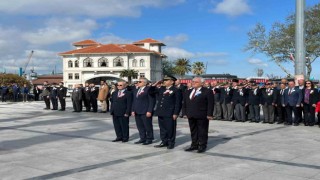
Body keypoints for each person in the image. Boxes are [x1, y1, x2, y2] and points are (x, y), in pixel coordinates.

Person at [183, 77, 214, 153]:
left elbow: (210, 103)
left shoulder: (207, 91)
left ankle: (202, 145)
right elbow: (185, 103)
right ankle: (194, 145)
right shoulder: (188, 91)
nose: (193, 83)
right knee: (193, 130)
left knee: (202, 131)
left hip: (202, 114)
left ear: (202, 83)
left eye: (196, 82)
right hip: (191, 114)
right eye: (193, 81)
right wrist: (184, 113)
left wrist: (209, 114)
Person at [152, 75, 182, 149]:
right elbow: (151, 91)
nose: (164, 81)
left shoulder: (176, 90)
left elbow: (178, 103)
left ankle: (171, 142)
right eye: (164, 80)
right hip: (161, 112)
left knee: (170, 128)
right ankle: (164, 141)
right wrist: (155, 84)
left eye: (166, 80)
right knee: (162, 128)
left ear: (171, 82)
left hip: (170, 113)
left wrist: (176, 113)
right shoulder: (162, 89)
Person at [131, 77, 156, 145]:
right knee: (140, 126)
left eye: (140, 82)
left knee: (147, 126)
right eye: (137, 81)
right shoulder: (136, 90)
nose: (138, 83)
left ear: (145, 83)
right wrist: (133, 110)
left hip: (145, 111)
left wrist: (150, 111)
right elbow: (134, 101)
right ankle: (142, 138)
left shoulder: (148, 89)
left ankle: (149, 138)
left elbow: (151, 101)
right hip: (137, 111)